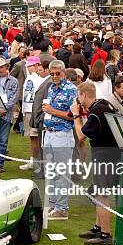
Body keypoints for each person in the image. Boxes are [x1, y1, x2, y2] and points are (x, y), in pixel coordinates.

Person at [72, 81, 119, 245]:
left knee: (101, 195)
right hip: (112, 154)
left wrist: (76, 116)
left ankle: (105, 234)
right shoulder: (104, 105)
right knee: (98, 192)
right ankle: (98, 227)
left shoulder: (96, 111)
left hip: (106, 156)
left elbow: (81, 136)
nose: (78, 100)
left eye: (79, 96)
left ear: (84, 95)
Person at [42, 60, 77, 220]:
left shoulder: (71, 90)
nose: (55, 76)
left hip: (62, 134)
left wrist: (52, 111)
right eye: (52, 74)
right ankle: (53, 203)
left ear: (63, 72)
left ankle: (62, 208)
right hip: (49, 132)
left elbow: (73, 116)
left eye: (58, 73)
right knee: (51, 171)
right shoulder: (51, 88)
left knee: (61, 172)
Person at [19, 56, 46, 172]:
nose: (29, 68)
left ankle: (37, 162)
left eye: (31, 65)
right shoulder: (29, 78)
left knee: (36, 137)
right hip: (28, 110)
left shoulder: (40, 79)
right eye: (28, 66)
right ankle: (33, 160)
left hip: (34, 111)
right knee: (32, 137)